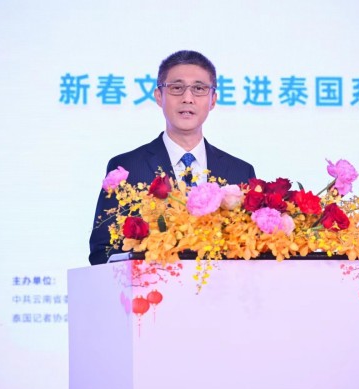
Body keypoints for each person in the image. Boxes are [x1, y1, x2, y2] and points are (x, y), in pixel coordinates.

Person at [89, 50, 256, 265]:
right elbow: (102, 251)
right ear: (159, 96)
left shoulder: (239, 171)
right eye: (177, 88)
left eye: (199, 89)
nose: (188, 98)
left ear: (213, 99)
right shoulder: (128, 167)